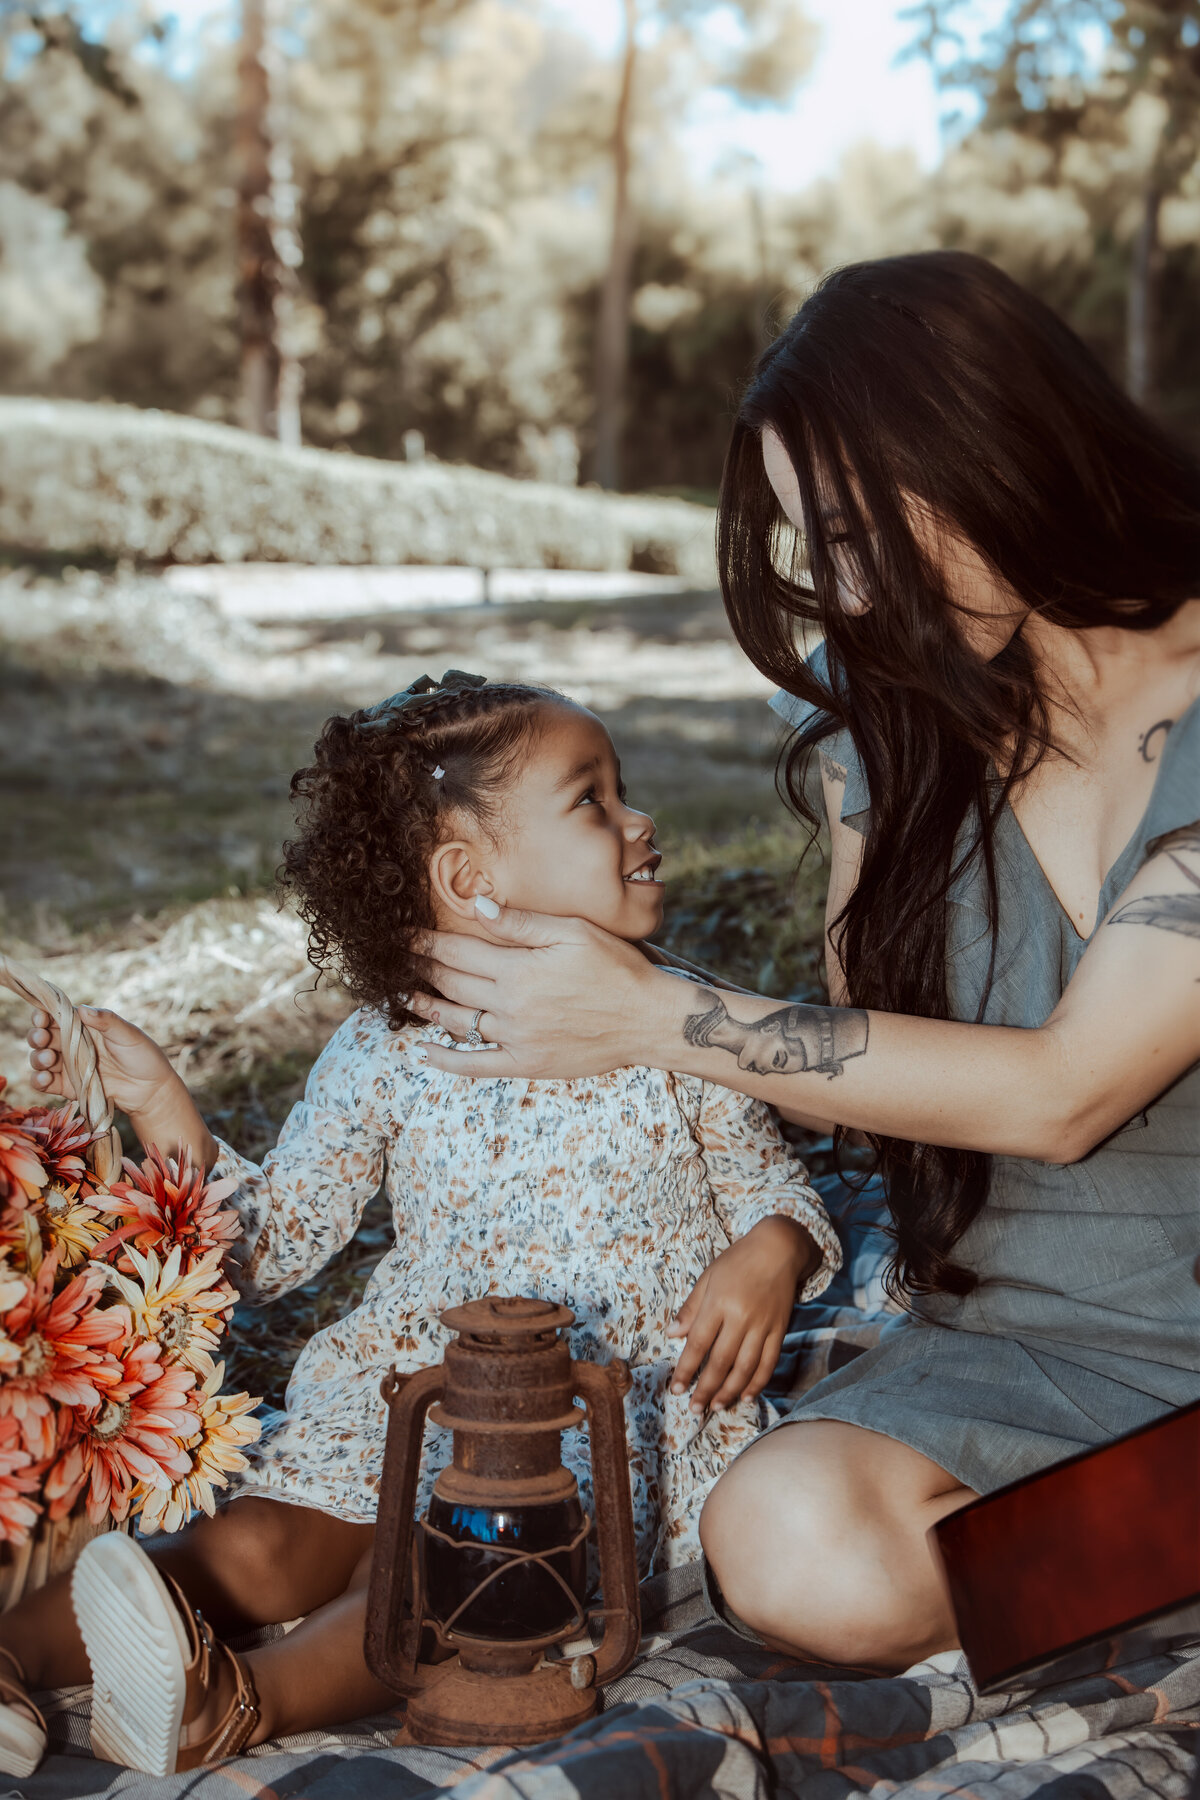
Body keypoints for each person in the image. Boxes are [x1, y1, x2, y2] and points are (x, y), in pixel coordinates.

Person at [402, 253, 1200, 1674]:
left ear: (986, 444)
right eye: (807, 546)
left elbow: (1067, 1091)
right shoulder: (895, 747)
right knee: (779, 1538)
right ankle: (1147, 1551)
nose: (840, 591)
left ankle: (1123, 1554)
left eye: (848, 530)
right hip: (1015, 1347)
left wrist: (659, 1015)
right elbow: (849, 1086)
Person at [1, 672, 839, 1779]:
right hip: (405, 1394)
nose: (642, 822)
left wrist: (770, 1251)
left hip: (587, 1429)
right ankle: (13, 1652)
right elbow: (277, 1240)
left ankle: (237, 1703)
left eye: (623, 790)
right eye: (593, 799)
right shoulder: (386, 1048)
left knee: (431, 1577)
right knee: (253, 1544)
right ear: (469, 878)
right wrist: (164, 1109)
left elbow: (774, 1188)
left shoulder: (680, 1024)